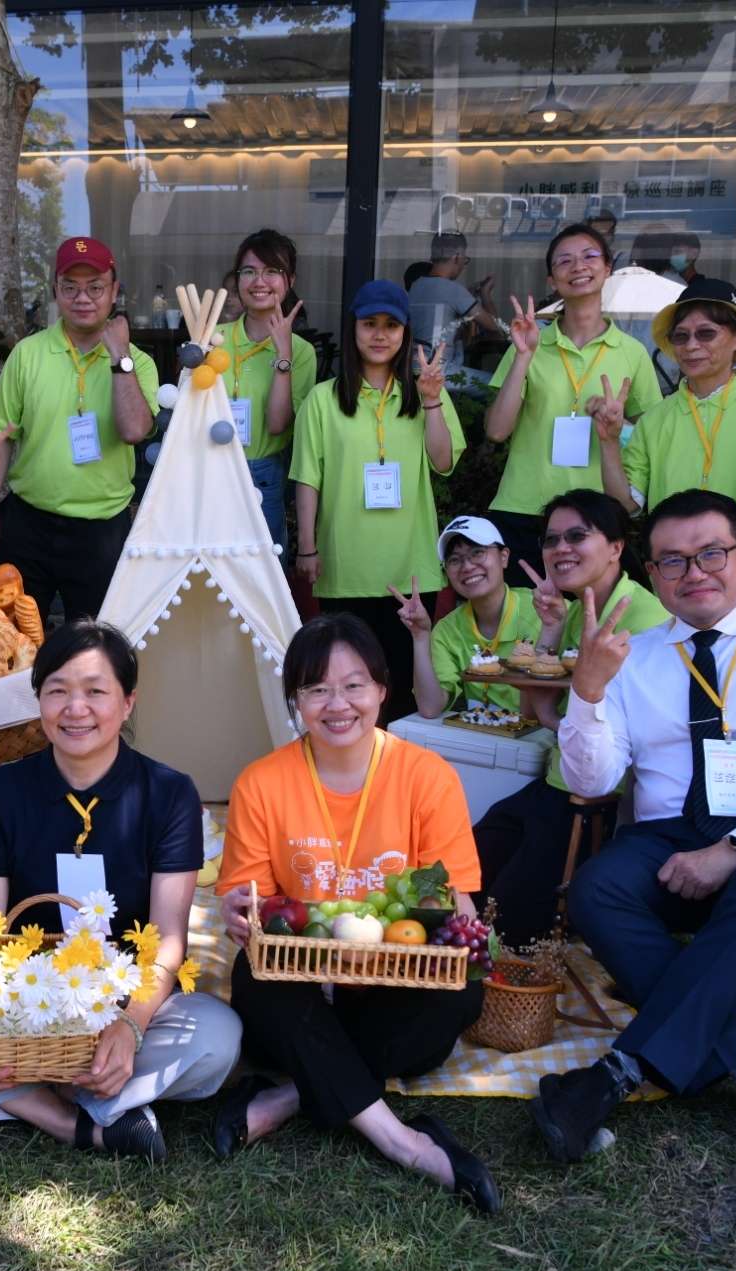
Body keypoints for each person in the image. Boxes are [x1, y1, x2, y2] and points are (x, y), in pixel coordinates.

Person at [531, 489, 736, 1168]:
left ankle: (612, 1076)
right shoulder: (633, 657)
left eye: (712, 552)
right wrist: (588, 692)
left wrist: (734, 848)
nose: (695, 572)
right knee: (596, 889)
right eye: (674, 560)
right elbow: (592, 783)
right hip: (665, 836)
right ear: (651, 573)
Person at [0, 620, 242, 1159]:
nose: (75, 708)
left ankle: (28, 1091)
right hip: (18, 1006)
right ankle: (76, 1121)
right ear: (37, 700)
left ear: (128, 702)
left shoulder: (169, 793)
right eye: (57, 691)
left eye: (95, 691)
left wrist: (128, 1029)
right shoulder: (2, 789)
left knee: (217, 1036)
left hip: (120, 1001)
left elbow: (166, 940)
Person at [215, 614, 501, 1216]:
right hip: (305, 981)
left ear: (381, 690)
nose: (336, 704)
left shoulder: (426, 777)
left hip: (394, 983)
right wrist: (238, 914)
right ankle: (405, 1141)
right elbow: (252, 907)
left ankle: (289, 1096)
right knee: (254, 978)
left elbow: (452, 904)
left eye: (353, 685)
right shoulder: (262, 783)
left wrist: (462, 935)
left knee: (459, 992)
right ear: (294, 698)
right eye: (316, 688)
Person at [473, 490, 671, 947]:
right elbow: (534, 712)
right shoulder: (580, 607)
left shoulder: (644, 619)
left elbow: (630, 737)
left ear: (617, 547)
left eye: (577, 535)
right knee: (462, 873)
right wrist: (552, 628)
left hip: (599, 805)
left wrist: (548, 713)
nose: (561, 548)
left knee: (506, 921)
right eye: (551, 539)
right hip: (554, 783)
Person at [291, 278, 462, 724]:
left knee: (402, 697)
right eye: (370, 324)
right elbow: (308, 478)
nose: (380, 334)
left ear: (406, 333)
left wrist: (430, 402)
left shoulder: (426, 393)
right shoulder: (323, 400)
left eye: (391, 325)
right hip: (343, 569)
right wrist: (306, 547)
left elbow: (443, 462)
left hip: (408, 571)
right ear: (353, 329)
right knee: (346, 694)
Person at [0, 237, 158, 621]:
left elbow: (134, 431)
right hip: (28, 523)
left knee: (95, 645)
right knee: (11, 638)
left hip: (101, 530)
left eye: (95, 287)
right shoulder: (27, 354)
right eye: (71, 287)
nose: (83, 298)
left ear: (114, 292)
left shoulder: (137, 362)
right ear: (55, 292)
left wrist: (119, 357)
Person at [485, 224, 663, 585]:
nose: (578, 266)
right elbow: (496, 431)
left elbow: (649, 438)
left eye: (589, 256)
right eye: (564, 261)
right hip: (523, 508)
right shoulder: (529, 343)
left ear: (608, 268)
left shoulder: (632, 353)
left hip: (595, 514)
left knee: (591, 629)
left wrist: (618, 427)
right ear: (552, 280)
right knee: (524, 635)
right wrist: (523, 356)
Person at [598, 278, 736, 580]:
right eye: (681, 336)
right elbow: (626, 504)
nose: (691, 346)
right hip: (673, 580)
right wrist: (609, 441)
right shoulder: (656, 418)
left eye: (706, 333)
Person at [224, 229, 317, 563]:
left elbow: (278, 425)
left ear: (289, 281)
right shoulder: (212, 338)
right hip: (210, 472)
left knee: (266, 585)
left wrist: (283, 356)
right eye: (248, 271)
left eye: (271, 271)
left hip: (264, 477)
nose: (258, 281)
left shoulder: (302, 352)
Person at [394, 515, 542, 720]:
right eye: (454, 560)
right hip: (482, 737)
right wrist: (420, 636)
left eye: (478, 552)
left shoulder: (543, 612)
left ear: (504, 556)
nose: (467, 566)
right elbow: (430, 707)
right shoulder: (448, 629)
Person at [407, 231, 501, 362]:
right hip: (437, 368)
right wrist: (485, 293)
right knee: (493, 381)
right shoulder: (454, 290)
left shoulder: (416, 285)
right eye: (464, 258)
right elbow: (493, 325)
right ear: (457, 257)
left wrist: (467, 298)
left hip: (412, 365)